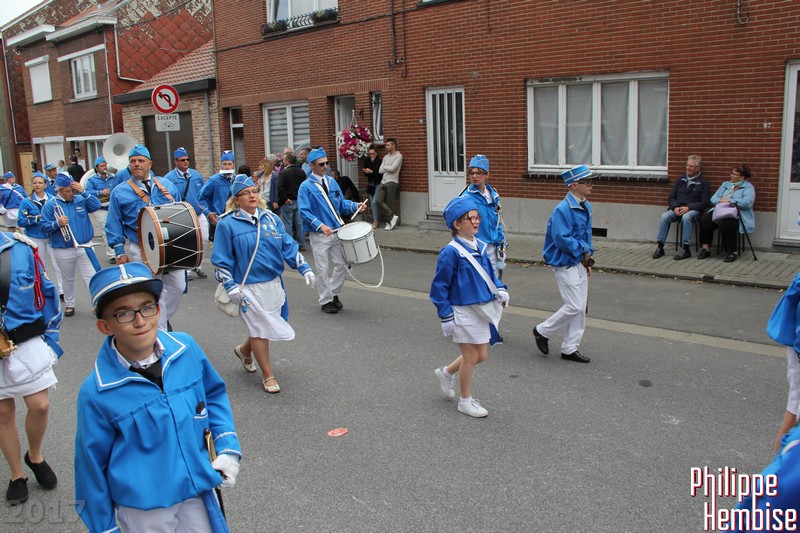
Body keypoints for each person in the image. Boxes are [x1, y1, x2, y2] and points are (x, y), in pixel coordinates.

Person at [75, 262, 241, 532]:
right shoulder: (96, 392)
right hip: (145, 507)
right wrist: (104, 527)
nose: (140, 320)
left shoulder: (186, 349)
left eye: (146, 307)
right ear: (105, 326)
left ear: (158, 309)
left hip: (196, 487)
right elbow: (89, 466)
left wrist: (227, 448)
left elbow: (213, 395)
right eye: (123, 313)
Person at [211, 176, 316, 394]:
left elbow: (287, 245)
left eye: (254, 191)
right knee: (260, 329)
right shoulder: (226, 224)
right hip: (247, 287)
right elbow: (221, 260)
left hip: (273, 284)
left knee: (263, 326)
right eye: (245, 193)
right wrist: (230, 286)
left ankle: (244, 351)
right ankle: (268, 375)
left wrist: (304, 267)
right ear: (236, 199)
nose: (252, 195)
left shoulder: (271, 218)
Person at [430, 196, 508, 418]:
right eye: (470, 218)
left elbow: (490, 275)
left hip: (480, 310)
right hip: (461, 311)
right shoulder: (451, 252)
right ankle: (465, 401)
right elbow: (439, 287)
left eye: (477, 218)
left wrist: (500, 289)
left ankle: (446, 372)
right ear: (457, 224)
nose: (476, 222)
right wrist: (446, 316)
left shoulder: (481, 246)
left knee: (481, 355)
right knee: (471, 356)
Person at [0, 231, 63, 505]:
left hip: (25, 341)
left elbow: (46, 293)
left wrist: (52, 340)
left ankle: (34, 455)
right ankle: (17, 474)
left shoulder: (21, 248)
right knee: (3, 413)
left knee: (40, 406)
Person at [105, 144, 185, 331]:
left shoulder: (167, 185)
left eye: (141, 160)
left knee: (178, 287)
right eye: (133, 161)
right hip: (141, 247)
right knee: (153, 291)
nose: (136, 164)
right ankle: (162, 332)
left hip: (169, 245)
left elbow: (181, 213)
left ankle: (160, 319)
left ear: (150, 163)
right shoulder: (120, 191)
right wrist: (119, 251)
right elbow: (113, 222)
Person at [532, 165, 595, 364]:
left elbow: (587, 234)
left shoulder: (586, 205)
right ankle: (542, 331)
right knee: (574, 305)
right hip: (565, 262)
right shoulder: (562, 210)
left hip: (579, 262)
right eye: (587, 182)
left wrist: (587, 259)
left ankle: (570, 348)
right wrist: (584, 249)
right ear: (574, 185)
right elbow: (562, 239)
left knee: (580, 307)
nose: (591, 185)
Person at [297, 148, 367, 314]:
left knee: (343, 264)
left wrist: (356, 206)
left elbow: (341, 203)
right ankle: (326, 300)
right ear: (311, 165)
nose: (325, 166)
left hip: (337, 231)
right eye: (321, 164)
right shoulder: (305, 187)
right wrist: (320, 225)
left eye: (326, 163)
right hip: (319, 234)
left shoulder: (332, 182)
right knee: (322, 269)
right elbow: (304, 211)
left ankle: (333, 293)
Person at [40, 173, 102, 317]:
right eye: (68, 191)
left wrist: (83, 191)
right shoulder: (51, 205)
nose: (72, 194)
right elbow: (43, 226)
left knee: (92, 277)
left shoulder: (80, 199)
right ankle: (70, 304)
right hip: (63, 249)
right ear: (59, 190)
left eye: (73, 190)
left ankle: (98, 304)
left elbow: (96, 205)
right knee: (68, 279)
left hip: (84, 246)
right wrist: (57, 223)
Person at [652, 155, 710, 260]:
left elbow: (705, 203)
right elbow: (671, 197)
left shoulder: (703, 182)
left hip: (693, 211)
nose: (688, 168)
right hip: (678, 209)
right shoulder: (681, 180)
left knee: (686, 217)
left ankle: (686, 249)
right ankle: (660, 247)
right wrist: (674, 207)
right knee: (664, 217)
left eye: (691, 166)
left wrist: (689, 207)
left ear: (698, 168)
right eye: (687, 165)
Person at [163, 147, 209, 278]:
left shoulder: (196, 175)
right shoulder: (169, 178)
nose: (185, 162)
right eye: (182, 160)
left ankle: (198, 265)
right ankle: (186, 269)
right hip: (184, 215)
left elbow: (203, 194)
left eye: (187, 159)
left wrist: (206, 210)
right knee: (187, 242)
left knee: (204, 239)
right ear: (176, 161)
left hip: (198, 213)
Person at [460, 154, 507, 277]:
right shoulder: (465, 197)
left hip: (493, 249)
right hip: (477, 249)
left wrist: (501, 243)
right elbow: (458, 224)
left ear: (487, 175)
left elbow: (498, 221)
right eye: (471, 173)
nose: (474, 176)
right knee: (479, 284)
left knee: (495, 284)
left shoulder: (493, 195)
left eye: (479, 173)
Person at [18, 173, 64, 299]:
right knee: (40, 266)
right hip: (35, 237)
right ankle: (44, 289)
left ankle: (62, 290)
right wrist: (36, 218)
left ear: (45, 184)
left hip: (52, 236)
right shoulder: (26, 201)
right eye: (34, 183)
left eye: (40, 182)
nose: (37, 185)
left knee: (58, 264)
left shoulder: (53, 199)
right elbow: (21, 221)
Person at [698, 164, 756, 263]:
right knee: (705, 220)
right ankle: (705, 248)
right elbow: (713, 198)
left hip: (737, 213)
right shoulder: (726, 185)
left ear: (742, 177)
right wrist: (720, 201)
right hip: (720, 210)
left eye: (734, 174)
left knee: (727, 224)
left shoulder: (748, 187)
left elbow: (748, 202)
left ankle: (731, 251)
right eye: (731, 173)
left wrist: (730, 201)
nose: (731, 175)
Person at [199, 150, 237, 243]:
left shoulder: (237, 180)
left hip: (235, 220)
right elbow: (200, 198)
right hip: (219, 221)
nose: (227, 167)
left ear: (233, 165)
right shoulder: (213, 180)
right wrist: (208, 213)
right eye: (224, 164)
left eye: (229, 164)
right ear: (221, 165)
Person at [84, 156, 116, 264]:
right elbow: (87, 192)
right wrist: (101, 192)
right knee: (105, 230)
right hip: (100, 208)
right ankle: (112, 255)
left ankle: (118, 252)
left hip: (112, 207)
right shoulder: (92, 180)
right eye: (102, 166)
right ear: (96, 168)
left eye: (105, 165)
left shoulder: (112, 177)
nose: (104, 167)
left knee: (115, 229)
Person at [278, 152, 307, 251]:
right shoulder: (301, 172)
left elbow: (280, 187)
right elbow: (304, 186)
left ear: (288, 161)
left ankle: (290, 245)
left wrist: (285, 198)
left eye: (284, 160)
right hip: (299, 200)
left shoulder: (283, 173)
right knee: (300, 223)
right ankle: (302, 243)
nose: (283, 161)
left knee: (288, 224)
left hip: (288, 201)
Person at [377, 137, 402, 230]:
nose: (386, 147)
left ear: (393, 145)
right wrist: (388, 167)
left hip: (392, 181)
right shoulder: (385, 157)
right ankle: (392, 217)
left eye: (388, 145)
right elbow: (380, 170)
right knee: (378, 200)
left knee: (391, 203)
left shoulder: (398, 156)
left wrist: (385, 167)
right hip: (383, 181)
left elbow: (393, 169)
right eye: (386, 145)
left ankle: (389, 222)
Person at [363, 145, 383, 229]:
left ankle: (375, 221)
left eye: (373, 154)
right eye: (370, 154)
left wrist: (371, 171)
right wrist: (366, 171)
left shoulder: (379, 161)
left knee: (374, 202)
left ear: (376, 153)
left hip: (378, 183)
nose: (371, 156)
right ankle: (376, 219)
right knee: (372, 203)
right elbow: (365, 174)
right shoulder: (367, 160)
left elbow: (380, 174)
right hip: (371, 184)